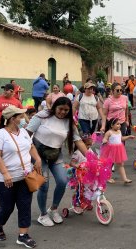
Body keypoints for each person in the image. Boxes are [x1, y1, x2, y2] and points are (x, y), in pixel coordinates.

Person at [26, 96, 88, 227]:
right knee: (44, 184)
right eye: (61, 109)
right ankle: (42, 215)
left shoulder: (69, 122)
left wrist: (91, 158)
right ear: (55, 107)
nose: (63, 112)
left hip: (55, 154)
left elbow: (79, 141)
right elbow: (27, 134)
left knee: (62, 181)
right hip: (38, 154)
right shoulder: (42, 116)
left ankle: (53, 209)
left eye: (66, 110)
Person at [0, 106, 42, 248]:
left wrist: (37, 159)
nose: (24, 119)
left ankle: (23, 235)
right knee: (7, 207)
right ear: (13, 119)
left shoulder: (23, 131)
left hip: (25, 177)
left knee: (25, 205)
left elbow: (30, 146)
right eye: (20, 116)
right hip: (4, 180)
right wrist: (6, 174)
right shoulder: (0, 135)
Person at [101, 118, 135, 184]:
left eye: (119, 124)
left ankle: (125, 179)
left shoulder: (119, 131)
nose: (119, 125)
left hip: (119, 149)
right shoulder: (109, 132)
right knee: (109, 164)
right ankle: (108, 178)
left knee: (121, 164)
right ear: (112, 125)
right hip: (111, 150)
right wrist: (104, 141)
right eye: (117, 124)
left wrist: (128, 137)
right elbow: (104, 139)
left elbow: (121, 138)